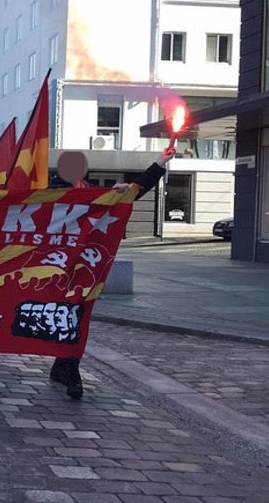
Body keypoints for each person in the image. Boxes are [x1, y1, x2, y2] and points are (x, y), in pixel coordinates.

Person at [48, 146, 176, 399]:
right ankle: (66, 367)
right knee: (67, 316)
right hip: (57, 267)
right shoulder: (53, 192)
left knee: (76, 316)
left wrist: (160, 162)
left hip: (87, 268)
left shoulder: (99, 192)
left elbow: (135, 191)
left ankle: (66, 366)